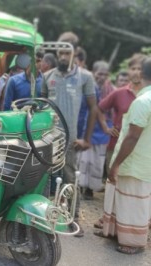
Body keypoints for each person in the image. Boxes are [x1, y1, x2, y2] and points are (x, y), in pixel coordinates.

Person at [41, 32, 97, 237]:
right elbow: (42, 106)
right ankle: (44, 218)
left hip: (71, 139)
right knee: (44, 177)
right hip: (48, 137)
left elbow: (93, 108)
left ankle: (74, 219)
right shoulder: (47, 77)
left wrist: (87, 139)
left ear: (75, 52)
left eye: (67, 52)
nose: (63, 56)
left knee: (70, 178)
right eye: (60, 52)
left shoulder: (85, 77)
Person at [96, 57, 151, 255]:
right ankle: (118, 232)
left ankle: (135, 242)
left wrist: (115, 164)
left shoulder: (143, 101)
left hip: (134, 161)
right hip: (144, 160)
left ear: (141, 74)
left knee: (132, 202)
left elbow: (132, 137)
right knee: (130, 199)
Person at [76, 61, 113, 199]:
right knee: (84, 160)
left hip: (102, 132)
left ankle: (91, 189)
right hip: (88, 127)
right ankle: (81, 186)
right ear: (93, 73)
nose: (101, 77)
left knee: (97, 162)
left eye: (105, 74)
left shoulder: (111, 89)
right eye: (99, 74)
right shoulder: (88, 86)